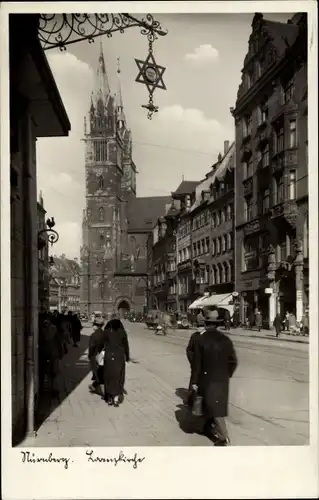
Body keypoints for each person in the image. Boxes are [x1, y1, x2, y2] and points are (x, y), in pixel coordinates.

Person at [192, 308, 238, 446]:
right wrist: (226, 374)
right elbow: (233, 361)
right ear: (218, 324)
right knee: (212, 404)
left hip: (207, 379)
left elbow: (197, 363)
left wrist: (194, 381)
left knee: (214, 408)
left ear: (206, 323)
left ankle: (224, 438)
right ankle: (205, 428)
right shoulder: (226, 340)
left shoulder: (201, 340)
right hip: (222, 380)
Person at [103, 319, 130, 407]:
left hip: (108, 357)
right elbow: (126, 345)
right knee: (119, 376)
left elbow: (101, 344)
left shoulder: (106, 332)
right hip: (119, 357)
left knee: (108, 376)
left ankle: (109, 397)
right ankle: (116, 398)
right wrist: (127, 356)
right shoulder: (122, 332)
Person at [88, 317, 107, 397]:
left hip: (95, 357)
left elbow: (91, 348)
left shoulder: (94, 335)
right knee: (100, 372)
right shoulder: (105, 334)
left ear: (96, 325)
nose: (93, 326)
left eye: (93, 325)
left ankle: (105, 394)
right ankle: (94, 385)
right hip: (103, 356)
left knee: (98, 375)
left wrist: (90, 355)